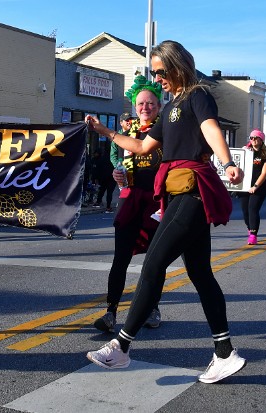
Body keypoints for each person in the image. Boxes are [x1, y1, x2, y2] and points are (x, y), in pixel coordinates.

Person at [84, 40, 246, 384]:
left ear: (177, 66)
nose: (158, 79)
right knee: (201, 274)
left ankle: (122, 346)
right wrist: (105, 131)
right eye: (154, 73)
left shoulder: (197, 96)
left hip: (192, 192)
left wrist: (227, 160)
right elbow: (142, 145)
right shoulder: (171, 107)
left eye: (161, 72)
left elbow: (210, 128)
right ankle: (224, 353)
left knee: (154, 263)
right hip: (175, 195)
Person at [93, 76, 164, 333]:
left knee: (154, 261)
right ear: (135, 106)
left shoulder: (165, 131)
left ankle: (152, 308)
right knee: (120, 258)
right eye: (141, 103)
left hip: (157, 203)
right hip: (131, 198)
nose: (145, 107)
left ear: (158, 106)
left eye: (151, 103)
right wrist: (119, 176)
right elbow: (124, 168)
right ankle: (110, 312)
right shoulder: (127, 134)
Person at [238, 129, 266, 245]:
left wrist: (255, 186)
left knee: (253, 208)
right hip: (245, 185)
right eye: (251, 138)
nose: (252, 140)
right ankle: (249, 228)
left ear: (261, 140)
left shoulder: (265, 155)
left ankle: (253, 234)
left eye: (255, 138)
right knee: (245, 211)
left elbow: (265, 173)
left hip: (259, 186)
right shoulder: (247, 152)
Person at [92, 148, 116, 212]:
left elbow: (97, 170)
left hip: (103, 178)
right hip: (112, 178)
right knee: (109, 193)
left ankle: (98, 202)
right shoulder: (113, 160)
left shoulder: (101, 159)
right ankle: (108, 206)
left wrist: (95, 178)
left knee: (101, 191)